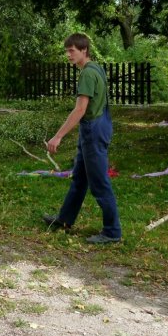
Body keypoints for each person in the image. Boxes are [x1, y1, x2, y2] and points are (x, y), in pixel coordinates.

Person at [43, 33, 121, 244]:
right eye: (67, 51)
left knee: (99, 183)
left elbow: (80, 110)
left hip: (93, 130)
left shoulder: (87, 73)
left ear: (84, 50)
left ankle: (112, 231)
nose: (68, 54)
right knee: (80, 178)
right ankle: (65, 220)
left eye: (72, 51)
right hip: (99, 126)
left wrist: (58, 136)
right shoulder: (97, 68)